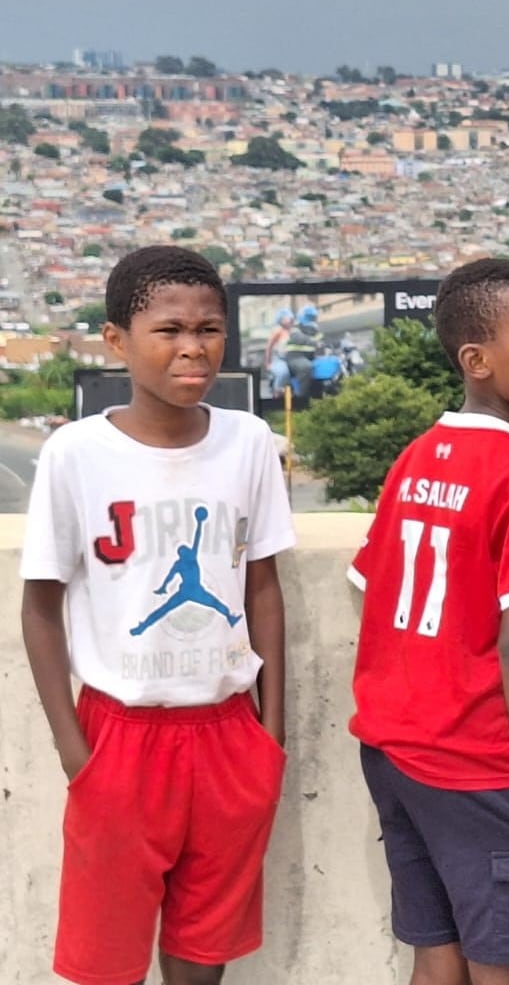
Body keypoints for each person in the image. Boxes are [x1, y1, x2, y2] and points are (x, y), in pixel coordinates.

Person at [20, 244, 295, 985]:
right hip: (121, 734)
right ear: (117, 340)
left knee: (203, 955)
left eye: (209, 328)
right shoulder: (76, 453)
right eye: (168, 329)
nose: (192, 347)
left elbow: (262, 586)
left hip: (229, 731)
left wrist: (270, 731)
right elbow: (40, 608)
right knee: (106, 961)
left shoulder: (249, 442)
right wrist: (78, 755)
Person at [348, 258, 509, 985]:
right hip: (475, 764)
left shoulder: (416, 458)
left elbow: (370, 579)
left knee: (437, 955)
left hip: (393, 748)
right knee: (505, 964)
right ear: (477, 361)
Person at [262, 307, 294, 399]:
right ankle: (277, 393)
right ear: (281, 320)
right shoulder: (278, 331)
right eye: (287, 318)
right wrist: (267, 363)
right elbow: (269, 347)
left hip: (291, 359)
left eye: (290, 317)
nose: (290, 319)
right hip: (278, 360)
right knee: (283, 373)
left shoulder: (293, 331)